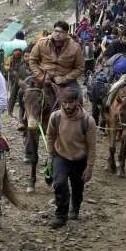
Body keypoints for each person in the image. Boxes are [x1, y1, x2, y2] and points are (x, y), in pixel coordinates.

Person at [45, 87, 97, 229]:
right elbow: (50, 136)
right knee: (59, 184)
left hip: (80, 158)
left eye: (71, 102)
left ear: (77, 102)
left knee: (77, 187)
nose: (68, 106)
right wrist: (50, 155)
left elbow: (92, 146)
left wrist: (89, 167)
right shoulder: (55, 117)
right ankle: (61, 215)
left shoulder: (88, 121)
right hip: (61, 156)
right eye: (65, 102)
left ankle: (75, 207)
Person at [26, 21, 85, 110]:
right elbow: (32, 60)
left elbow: (80, 68)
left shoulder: (75, 47)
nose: (57, 34)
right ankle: (24, 120)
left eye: (61, 32)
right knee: (23, 92)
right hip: (43, 77)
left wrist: (64, 79)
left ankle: (77, 120)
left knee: (78, 96)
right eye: (56, 31)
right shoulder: (42, 43)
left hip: (66, 79)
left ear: (66, 34)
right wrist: (40, 76)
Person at [6, 49, 31, 130]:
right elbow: (14, 91)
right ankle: (21, 121)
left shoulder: (37, 66)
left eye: (30, 56)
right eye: (26, 56)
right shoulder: (21, 67)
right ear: (23, 57)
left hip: (35, 89)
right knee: (19, 92)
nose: (28, 58)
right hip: (23, 90)